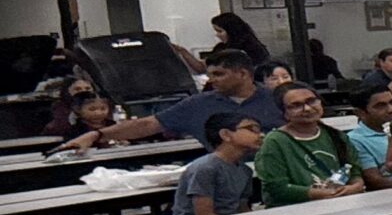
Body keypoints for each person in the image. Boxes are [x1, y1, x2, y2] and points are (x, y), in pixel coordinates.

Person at [99, 47, 283, 144]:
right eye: (210, 75)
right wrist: (97, 135)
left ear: (243, 74)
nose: (211, 80)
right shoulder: (197, 104)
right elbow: (148, 125)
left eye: (219, 74)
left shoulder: (278, 99)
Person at [254, 82, 365, 205]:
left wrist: (354, 187)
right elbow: (277, 188)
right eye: (296, 105)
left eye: (311, 101)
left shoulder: (336, 135)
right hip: (295, 210)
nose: (307, 108)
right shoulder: (274, 142)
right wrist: (322, 193)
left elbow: (354, 172)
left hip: (341, 203)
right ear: (284, 112)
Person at [168, 109, 264, 215]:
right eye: (252, 129)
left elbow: (242, 208)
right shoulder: (205, 168)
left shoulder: (245, 170)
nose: (261, 135)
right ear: (226, 134)